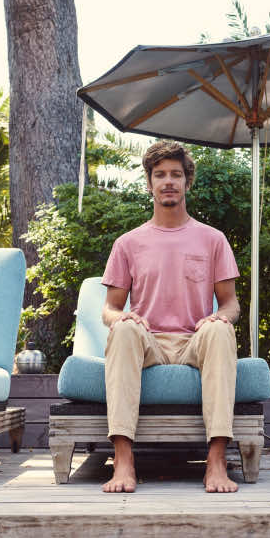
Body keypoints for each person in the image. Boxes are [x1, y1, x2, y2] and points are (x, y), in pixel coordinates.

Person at [100, 141, 240, 493]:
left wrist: (219, 317)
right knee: (123, 329)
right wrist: (124, 318)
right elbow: (109, 308)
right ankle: (123, 461)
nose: (168, 181)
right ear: (149, 184)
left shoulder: (213, 239)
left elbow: (231, 304)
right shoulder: (128, 243)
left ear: (187, 183)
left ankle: (217, 461)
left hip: (195, 341)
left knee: (222, 330)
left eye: (176, 174)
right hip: (149, 344)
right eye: (160, 174)